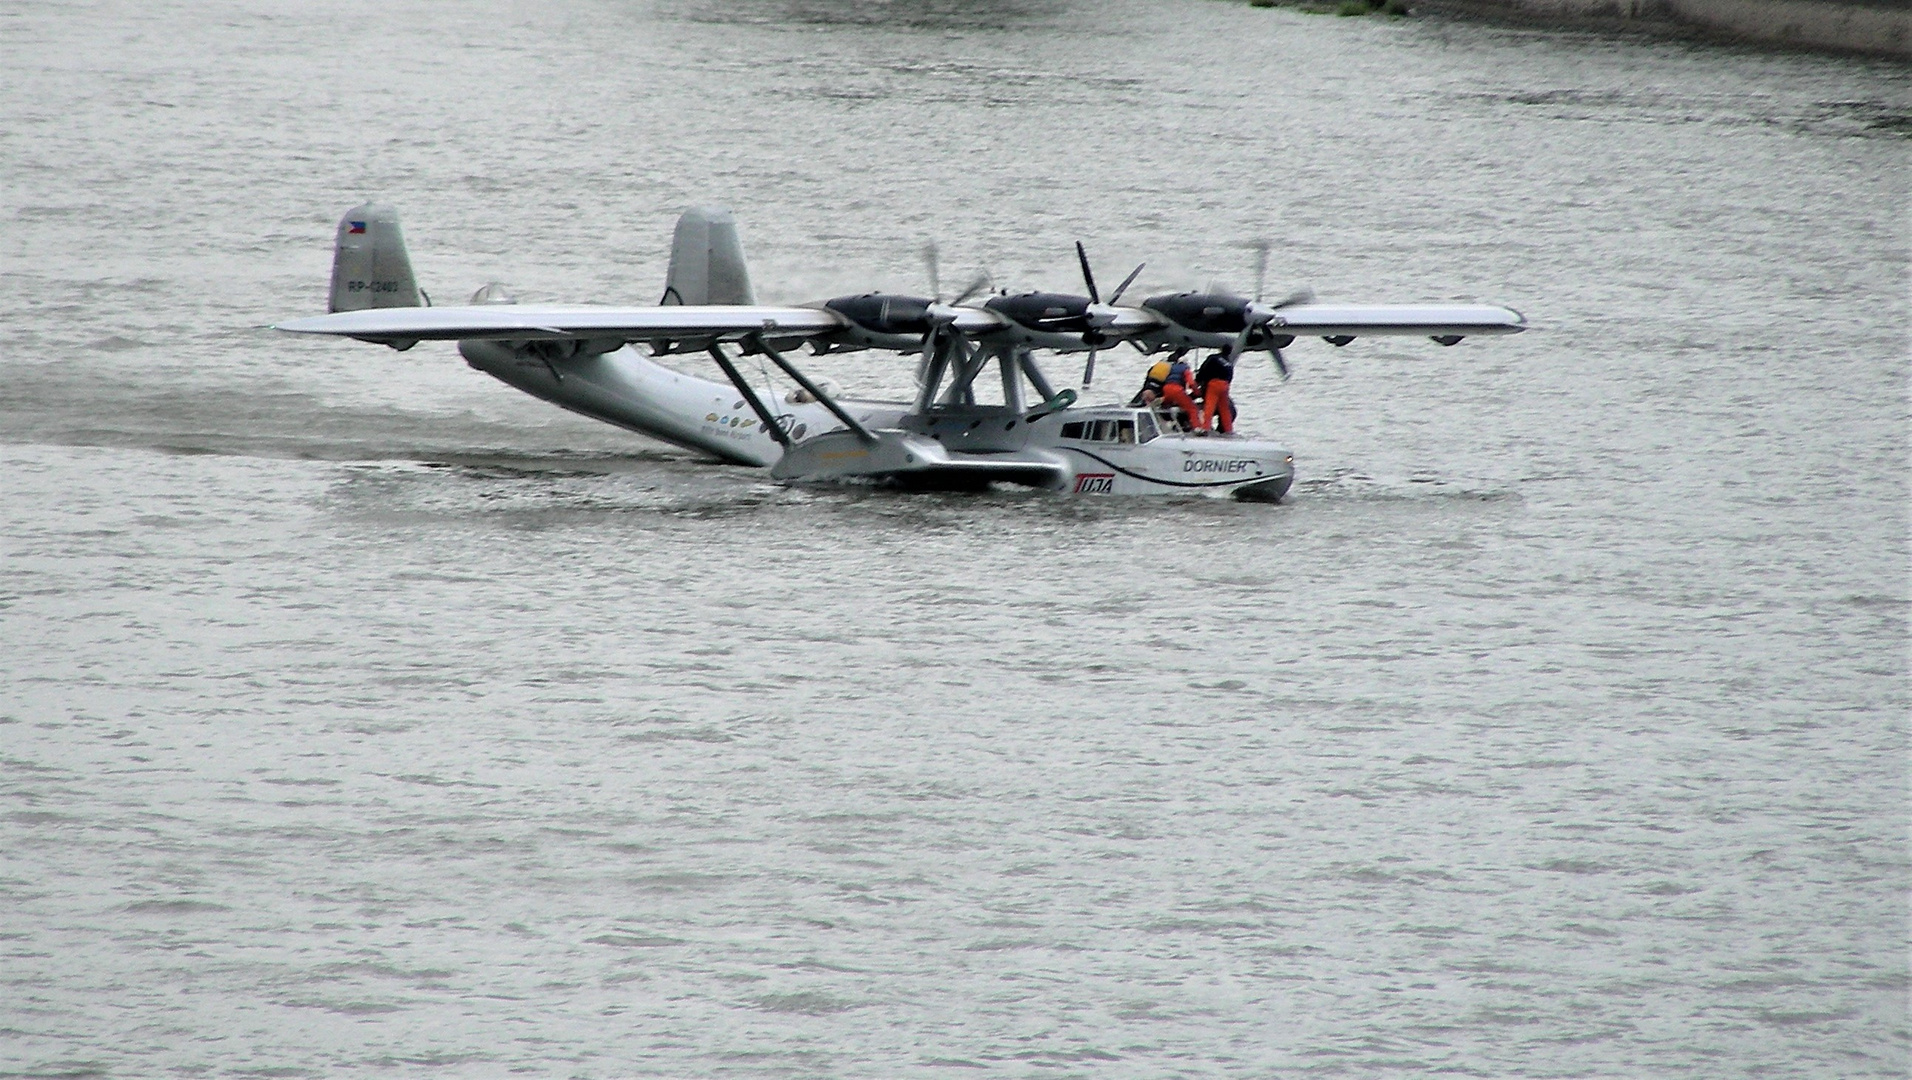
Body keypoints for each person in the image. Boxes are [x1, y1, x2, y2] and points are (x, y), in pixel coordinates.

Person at [1131, 352, 1198, 431]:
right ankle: (1192, 427)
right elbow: (1188, 383)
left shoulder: (1160, 368)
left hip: (1156, 389)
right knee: (1188, 407)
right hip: (1171, 391)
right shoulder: (1179, 369)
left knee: (1161, 405)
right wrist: (1196, 392)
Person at [1194, 352, 1236, 435]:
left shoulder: (1213, 358)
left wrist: (1197, 380)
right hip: (1225, 385)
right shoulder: (1228, 362)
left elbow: (1204, 369)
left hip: (1214, 384)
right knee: (1224, 409)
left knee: (1209, 407)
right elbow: (1230, 376)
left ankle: (1205, 428)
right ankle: (1229, 430)